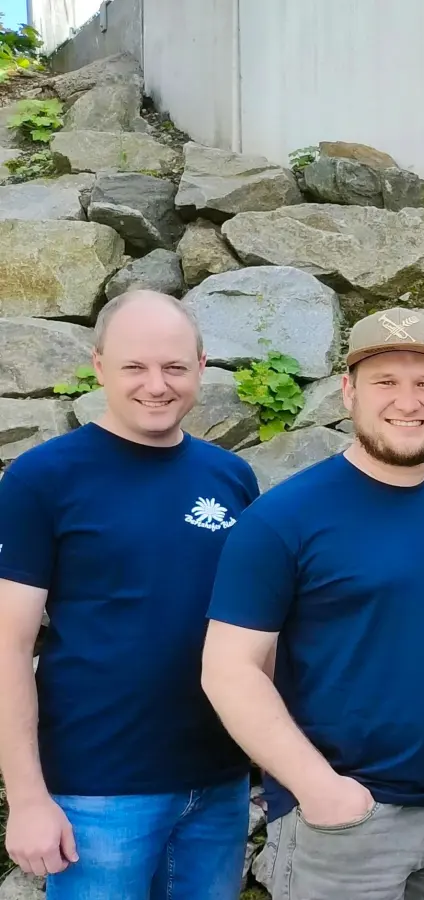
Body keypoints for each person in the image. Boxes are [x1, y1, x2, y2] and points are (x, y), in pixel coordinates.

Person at [200, 308, 424, 900]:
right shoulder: (284, 518)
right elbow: (228, 669)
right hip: (342, 826)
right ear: (348, 393)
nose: (408, 401)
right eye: (385, 383)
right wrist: (318, 789)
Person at [0, 290, 258, 899]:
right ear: (98, 367)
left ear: (201, 366)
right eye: (134, 367)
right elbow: (8, 647)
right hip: (98, 790)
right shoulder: (42, 480)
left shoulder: (231, 476)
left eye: (173, 367)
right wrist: (28, 798)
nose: (156, 385)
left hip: (219, 782)